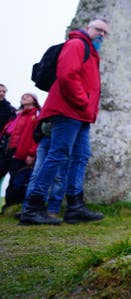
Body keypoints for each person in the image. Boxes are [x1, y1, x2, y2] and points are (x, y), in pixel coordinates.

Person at [20, 18, 109, 225]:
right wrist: (84, 102)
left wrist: (86, 108)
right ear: (89, 28)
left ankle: (75, 207)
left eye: (105, 33)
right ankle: (33, 207)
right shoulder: (77, 44)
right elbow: (67, 75)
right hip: (68, 111)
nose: (102, 35)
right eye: (99, 30)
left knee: (81, 156)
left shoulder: (91, 52)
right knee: (58, 155)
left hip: (81, 115)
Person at [1, 93, 40, 210]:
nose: (24, 98)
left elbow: (37, 136)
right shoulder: (17, 115)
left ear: (34, 101)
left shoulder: (36, 115)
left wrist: (31, 153)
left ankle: (14, 206)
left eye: (28, 96)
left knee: (17, 180)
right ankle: (8, 206)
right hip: (8, 150)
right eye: (22, 96)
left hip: (22, 152)